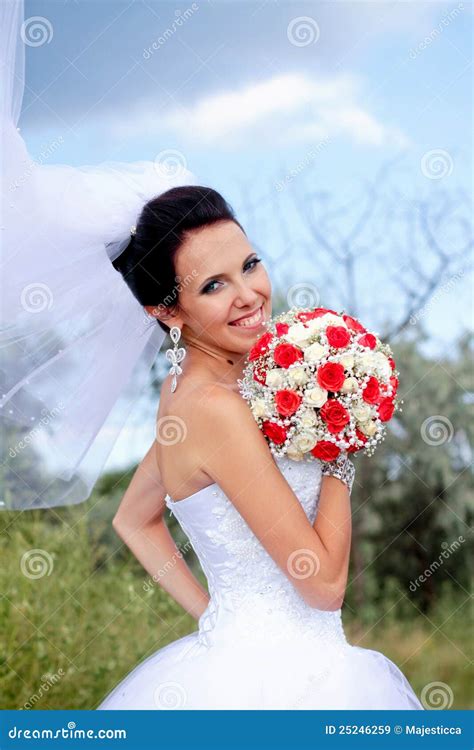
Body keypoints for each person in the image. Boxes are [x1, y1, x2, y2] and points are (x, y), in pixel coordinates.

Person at [97, 186, 423, 710]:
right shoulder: (215, 411)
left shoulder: (188, 392)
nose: (249, 294)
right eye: (213, 285)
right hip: (288, 684)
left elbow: (133, 519)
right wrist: (338, 446)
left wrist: (215, 620)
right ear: (168, 312)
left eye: (249, 264)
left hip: (235, 666)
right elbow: (322, 586)